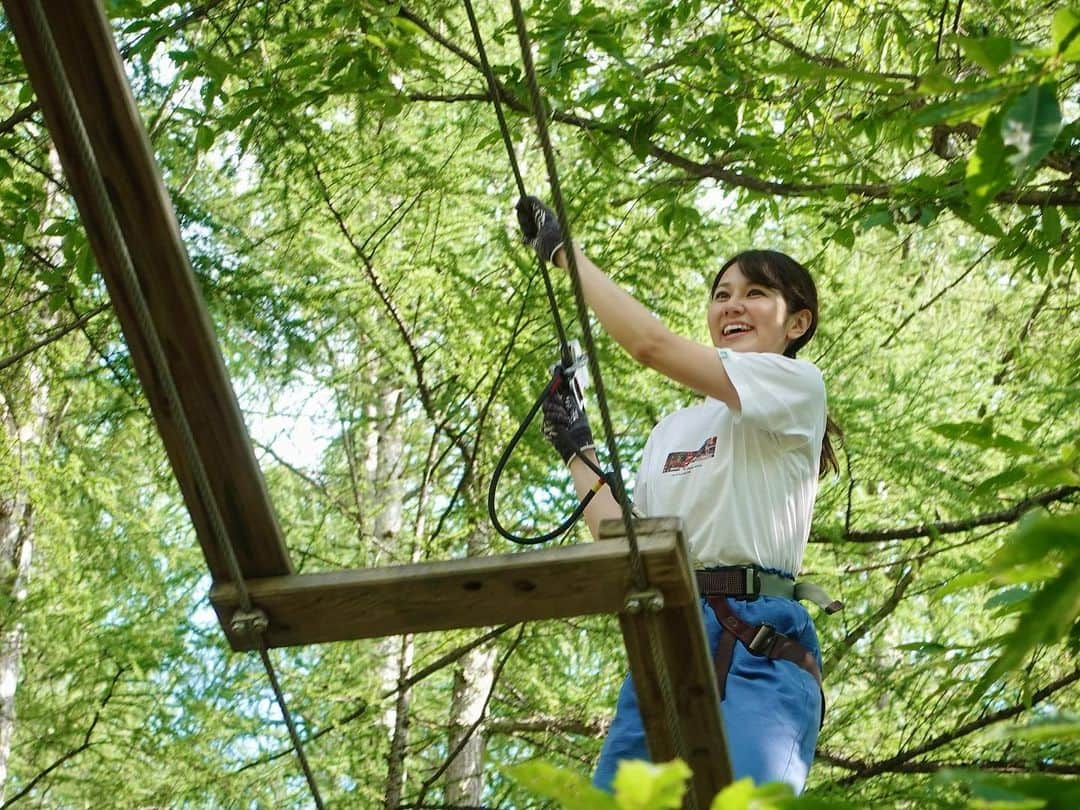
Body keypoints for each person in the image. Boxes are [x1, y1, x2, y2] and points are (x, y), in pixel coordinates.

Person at [515, 196, 840, 794]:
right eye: (721, 295)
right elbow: (620, 535)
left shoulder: (797, 386)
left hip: (760, 636)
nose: (732, 305)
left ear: (798, 323)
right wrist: (575, 448)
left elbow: (650, 347)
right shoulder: (673, 431)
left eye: (755, 293)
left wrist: (566, 253)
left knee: (738, 804)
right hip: (672, 632)